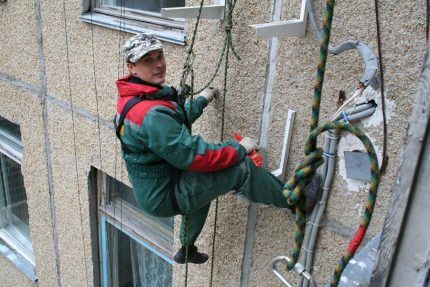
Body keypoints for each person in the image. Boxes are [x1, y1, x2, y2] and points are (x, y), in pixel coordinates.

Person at [115, 33, 321, 264]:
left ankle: (186, 248)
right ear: (131, 67)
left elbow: (170, 125)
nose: (158, 64)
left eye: (159, 56)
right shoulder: (149, 114)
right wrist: (239, 148)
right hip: (165, 194)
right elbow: (195, 156)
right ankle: (296, 202)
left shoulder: (134, 98)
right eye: (147, 60)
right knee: (239, 169)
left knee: (201, 190)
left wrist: (202, 100)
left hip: (158, 188)